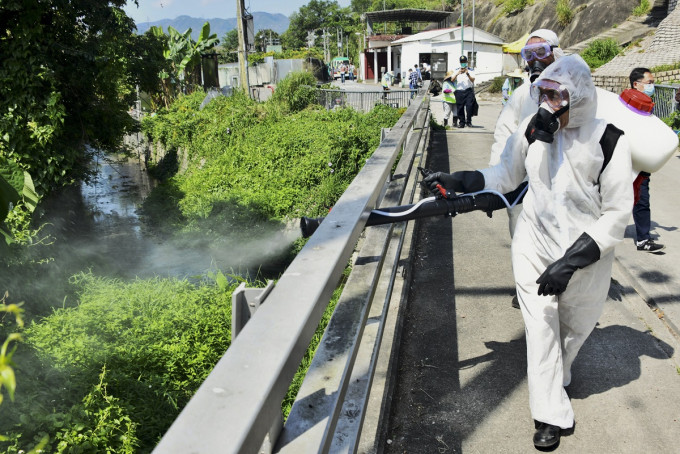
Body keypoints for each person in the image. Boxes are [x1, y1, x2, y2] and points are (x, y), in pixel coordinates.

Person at [423, 55, 634, 450]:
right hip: (533, 242)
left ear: (580, 97)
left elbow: (617, 213)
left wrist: (571, 262)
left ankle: (559, 375)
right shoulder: (531, 129)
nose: (548, 103)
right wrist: (460, 180)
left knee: (572, 331)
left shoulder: (609, 141)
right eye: (545, 94)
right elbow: (503, 175)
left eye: (558, 96)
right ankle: (550, 415)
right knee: (540, 330)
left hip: (585, 259)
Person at [629, 67, 665, 252]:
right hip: (626, 160)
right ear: (637, 84)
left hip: (641, 161)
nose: (652, 86)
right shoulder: (626, 105)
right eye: (649, 82)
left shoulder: (646, 105)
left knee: (641, 198)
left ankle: (643, 239)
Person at [452, 55, 476, 128]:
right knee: (460, 107)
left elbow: (472, 80)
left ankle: (469, 122)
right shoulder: (456, 70)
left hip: (468, 91)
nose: (463, 63)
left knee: (469, 107)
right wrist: (457, 73)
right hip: (459, 91)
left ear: (467, 62)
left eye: (464, 61)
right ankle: (461, 122)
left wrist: (467, 73)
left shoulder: (471, 70)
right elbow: (452, 80)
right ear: (460, 62)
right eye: (462, 62)